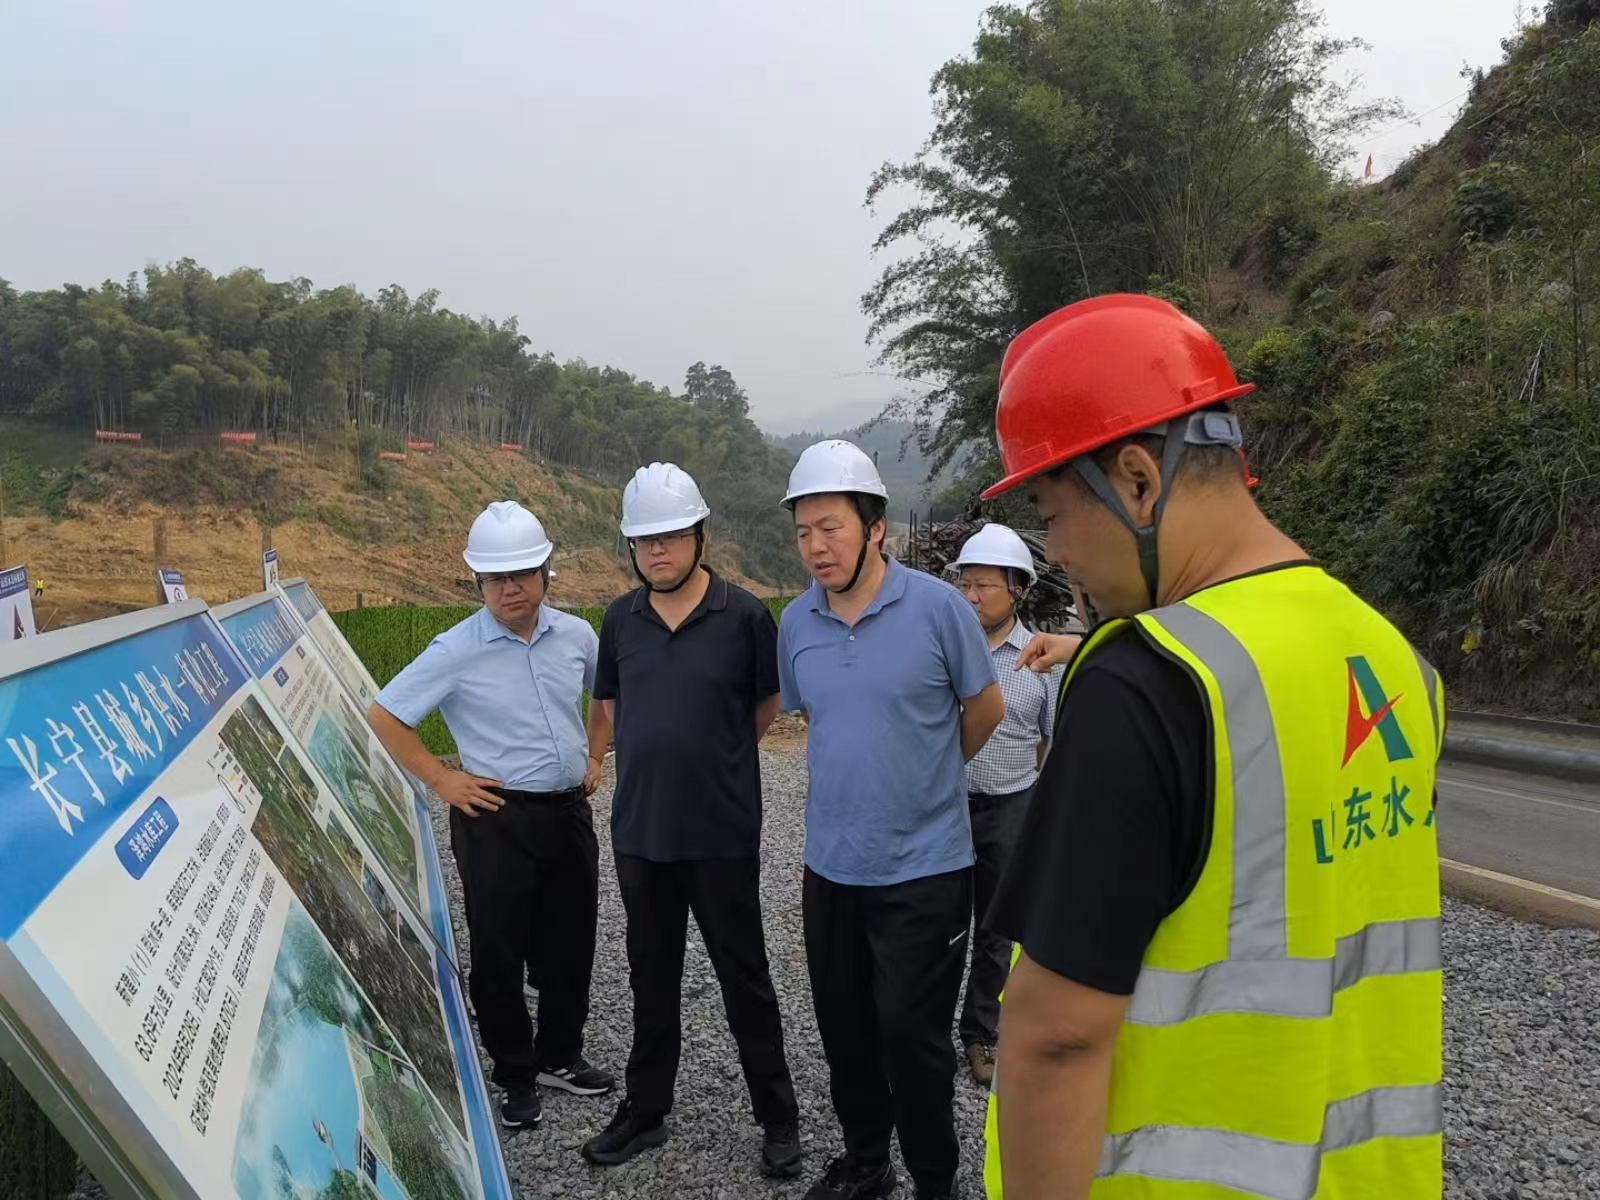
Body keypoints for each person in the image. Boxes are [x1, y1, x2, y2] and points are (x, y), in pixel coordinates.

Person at [978, 295, 1445, 1199]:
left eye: (1053, 513)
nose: (1056, 551)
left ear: (1138, 480)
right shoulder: (1396, 659)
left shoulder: (1148, 679)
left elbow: (1059, 1035)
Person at [777, 440, 1006, 1200]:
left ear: (876, 528)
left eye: (831, 528)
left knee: (913, 1038)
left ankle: (935, 1179)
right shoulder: (797, 622)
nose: (816, 547)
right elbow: (818, 718)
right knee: (844, 1029)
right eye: (804, 532)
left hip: (926, 870)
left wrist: (929, 774)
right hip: (831, 867)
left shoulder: (939, 609)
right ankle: (867, 1162)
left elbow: (985, 708)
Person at [579, 463, 802, 1177]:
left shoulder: (745, 616)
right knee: (651, 980)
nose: (657, 551)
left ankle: (779, 1117)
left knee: (746, 978)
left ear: (700, 536)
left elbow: (764, 706)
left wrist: (715, 760)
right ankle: (646, 1112)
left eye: (671, 536)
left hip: (721, 835)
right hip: (642, 835)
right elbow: (610, 705)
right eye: (644, 540)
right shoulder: (620, 618)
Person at [368, 500, 615, 1132]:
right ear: (478, 581)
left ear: (545, 571)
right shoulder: (456, 650)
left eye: (523, 574)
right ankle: (515, 1074)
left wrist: (595, 754)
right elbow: (386, 716)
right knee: (499, 950)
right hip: (496, 818)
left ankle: (559, 1056)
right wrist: (442, 779)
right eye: (496, 579)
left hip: (567, 813)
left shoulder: (577, 636)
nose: (511, 589)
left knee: (571, 942)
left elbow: (606, 694)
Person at [945, 524, 1071, 1087]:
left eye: (984, 586)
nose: (971, 597)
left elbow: (1051, 742)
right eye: (966, 585)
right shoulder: (946, 648)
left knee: (996, 932)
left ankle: (980, 1033)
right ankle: (927, 1029)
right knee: (938, 924)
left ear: (1017, 589)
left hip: (1010, 808)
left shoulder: (1043, 661)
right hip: (946, 808)